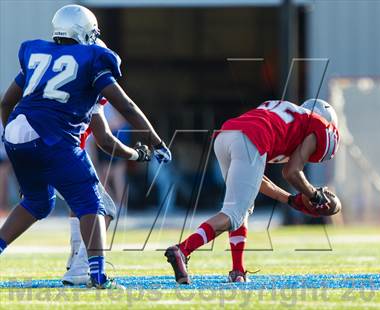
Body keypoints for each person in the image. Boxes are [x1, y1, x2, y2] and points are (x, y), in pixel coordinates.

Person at [0, 4, 171, 289]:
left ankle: (77, 264)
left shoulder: (39, 54)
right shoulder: (92, 61)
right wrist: (155, 141)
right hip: (53, 140)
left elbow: (7, 103)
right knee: (95, 203)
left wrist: (15, 138)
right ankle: (96, 276)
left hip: (18, 131)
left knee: (38, 203)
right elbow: (124, 107)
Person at [165, 99, 340, 284]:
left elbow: (257, 180)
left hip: (226, 136)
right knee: (233, 214)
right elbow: (291, 172)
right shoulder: (319, 124)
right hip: (249, 139)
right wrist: (316, 196)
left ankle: (237, 271)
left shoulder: (288, 118)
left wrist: (290, 200)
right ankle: (183, 250)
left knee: (242, 207)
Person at [62, 96, 151, 286]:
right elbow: (105, 139)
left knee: (68, 205)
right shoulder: (88, 89)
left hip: (39, 152)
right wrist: (137, 154)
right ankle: (79, 268)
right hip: (64, 157)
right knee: (106, 207)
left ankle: (74, 258)